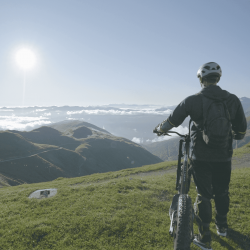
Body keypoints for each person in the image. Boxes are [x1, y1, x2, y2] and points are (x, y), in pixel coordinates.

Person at [156, 62, 247, 250]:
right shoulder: (233, 99)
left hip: (200, 156)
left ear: (201, 79)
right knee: (222, 191)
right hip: (224, 156)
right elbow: (241, 129)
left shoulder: (192, 100)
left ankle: (205, 237)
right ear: (218, 78)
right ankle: (222, 226)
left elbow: (172, 120)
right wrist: (236, 135)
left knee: (203, 195)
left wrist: (160, 129)